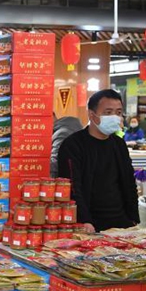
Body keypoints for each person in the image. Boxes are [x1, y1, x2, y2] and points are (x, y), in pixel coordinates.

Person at [58, 89, 139, 232]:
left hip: (122, 222)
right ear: (92, 115)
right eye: (108, 112)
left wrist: (133, 218)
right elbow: (72, 186)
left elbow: (129, 181)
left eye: (118, 112)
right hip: (89, 224)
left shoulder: (119, 144)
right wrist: (84, 219)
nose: (115, 117)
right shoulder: (73, 145)